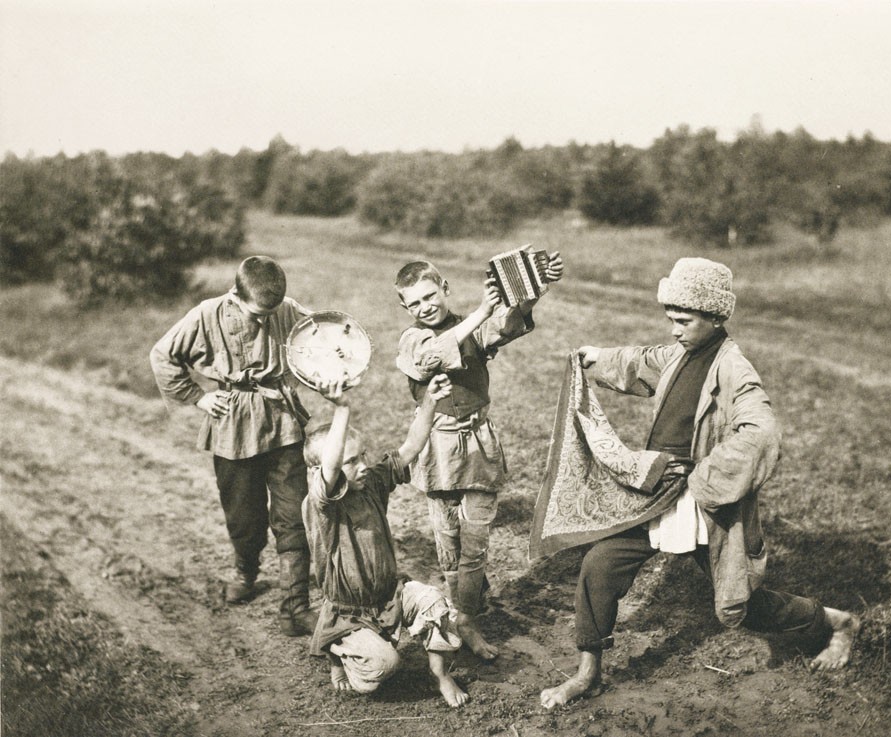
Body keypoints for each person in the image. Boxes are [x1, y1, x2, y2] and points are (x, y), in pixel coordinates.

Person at [540, 257, 860, 709]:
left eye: (683, 321)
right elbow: (642, 361)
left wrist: (702, 476)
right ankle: (587, 672)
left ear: (715, 317)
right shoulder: (681, 353)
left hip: (703, 502)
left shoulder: (734, 369)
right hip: (658, 496)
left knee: (741, 606)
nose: (673, 329)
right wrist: (596, 359)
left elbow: (762, 432)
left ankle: (834, 623)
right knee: (600, 565)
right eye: (670, 319)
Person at [394, 254, 564, 660]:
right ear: (405, 308)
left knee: (475, 541)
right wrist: (481, 311)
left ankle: (466, 617)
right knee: (446, 537)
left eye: (430, 296)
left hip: (478, 444)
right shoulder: (411, 339)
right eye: (415, 303)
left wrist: (529, 295)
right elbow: (430, 358)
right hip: (436, 448)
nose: (425, 307)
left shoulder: (470, 326)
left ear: (445, 288)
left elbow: (505, 326)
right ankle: (462, 601)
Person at [149, 255, 317, 637]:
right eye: (257, 314)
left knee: (294, 514)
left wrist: (331, 368)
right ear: (235, 295)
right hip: (232, 423)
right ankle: (246, 571)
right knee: (244, 513)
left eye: (270, 313)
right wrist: (197, 397)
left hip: (282, 421)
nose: (265, 320)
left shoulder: (287, 310)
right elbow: (163, 355)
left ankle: (296, 605)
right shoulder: (207, 314)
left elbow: (321, 337)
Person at [302, 373, 469, 708]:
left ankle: (440, 675)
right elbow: (331, 467)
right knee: (383, 666)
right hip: (349, 612)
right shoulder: (322, 504)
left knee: (434, 601)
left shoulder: (371, 483)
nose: (363, 466)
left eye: (363, 456)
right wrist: (342, 408)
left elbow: (410, 448)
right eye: (352, 461)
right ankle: (337, 649)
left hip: (388, 596)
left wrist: (430, 402)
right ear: (317, 471)